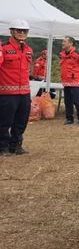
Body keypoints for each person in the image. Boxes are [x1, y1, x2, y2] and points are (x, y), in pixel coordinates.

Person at [0, 19, 33, 156]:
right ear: (12, 31)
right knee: (4, 122)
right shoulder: (3, 49)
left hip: (24, 92)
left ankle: (16, 145)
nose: (21, 33)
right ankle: (3, 147)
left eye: (24, 31)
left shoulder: (28, 50)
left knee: (21, 121)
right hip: (7, 94)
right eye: (18, 30)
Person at [59, 36, 79, 125]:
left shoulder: (78, 54)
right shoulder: (63, 55)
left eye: (64, 41)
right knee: (67, 101)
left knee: (77, 100)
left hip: (75, 82)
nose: (62, 43)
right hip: (66, 82)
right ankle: (69, 119)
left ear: (70, 43)